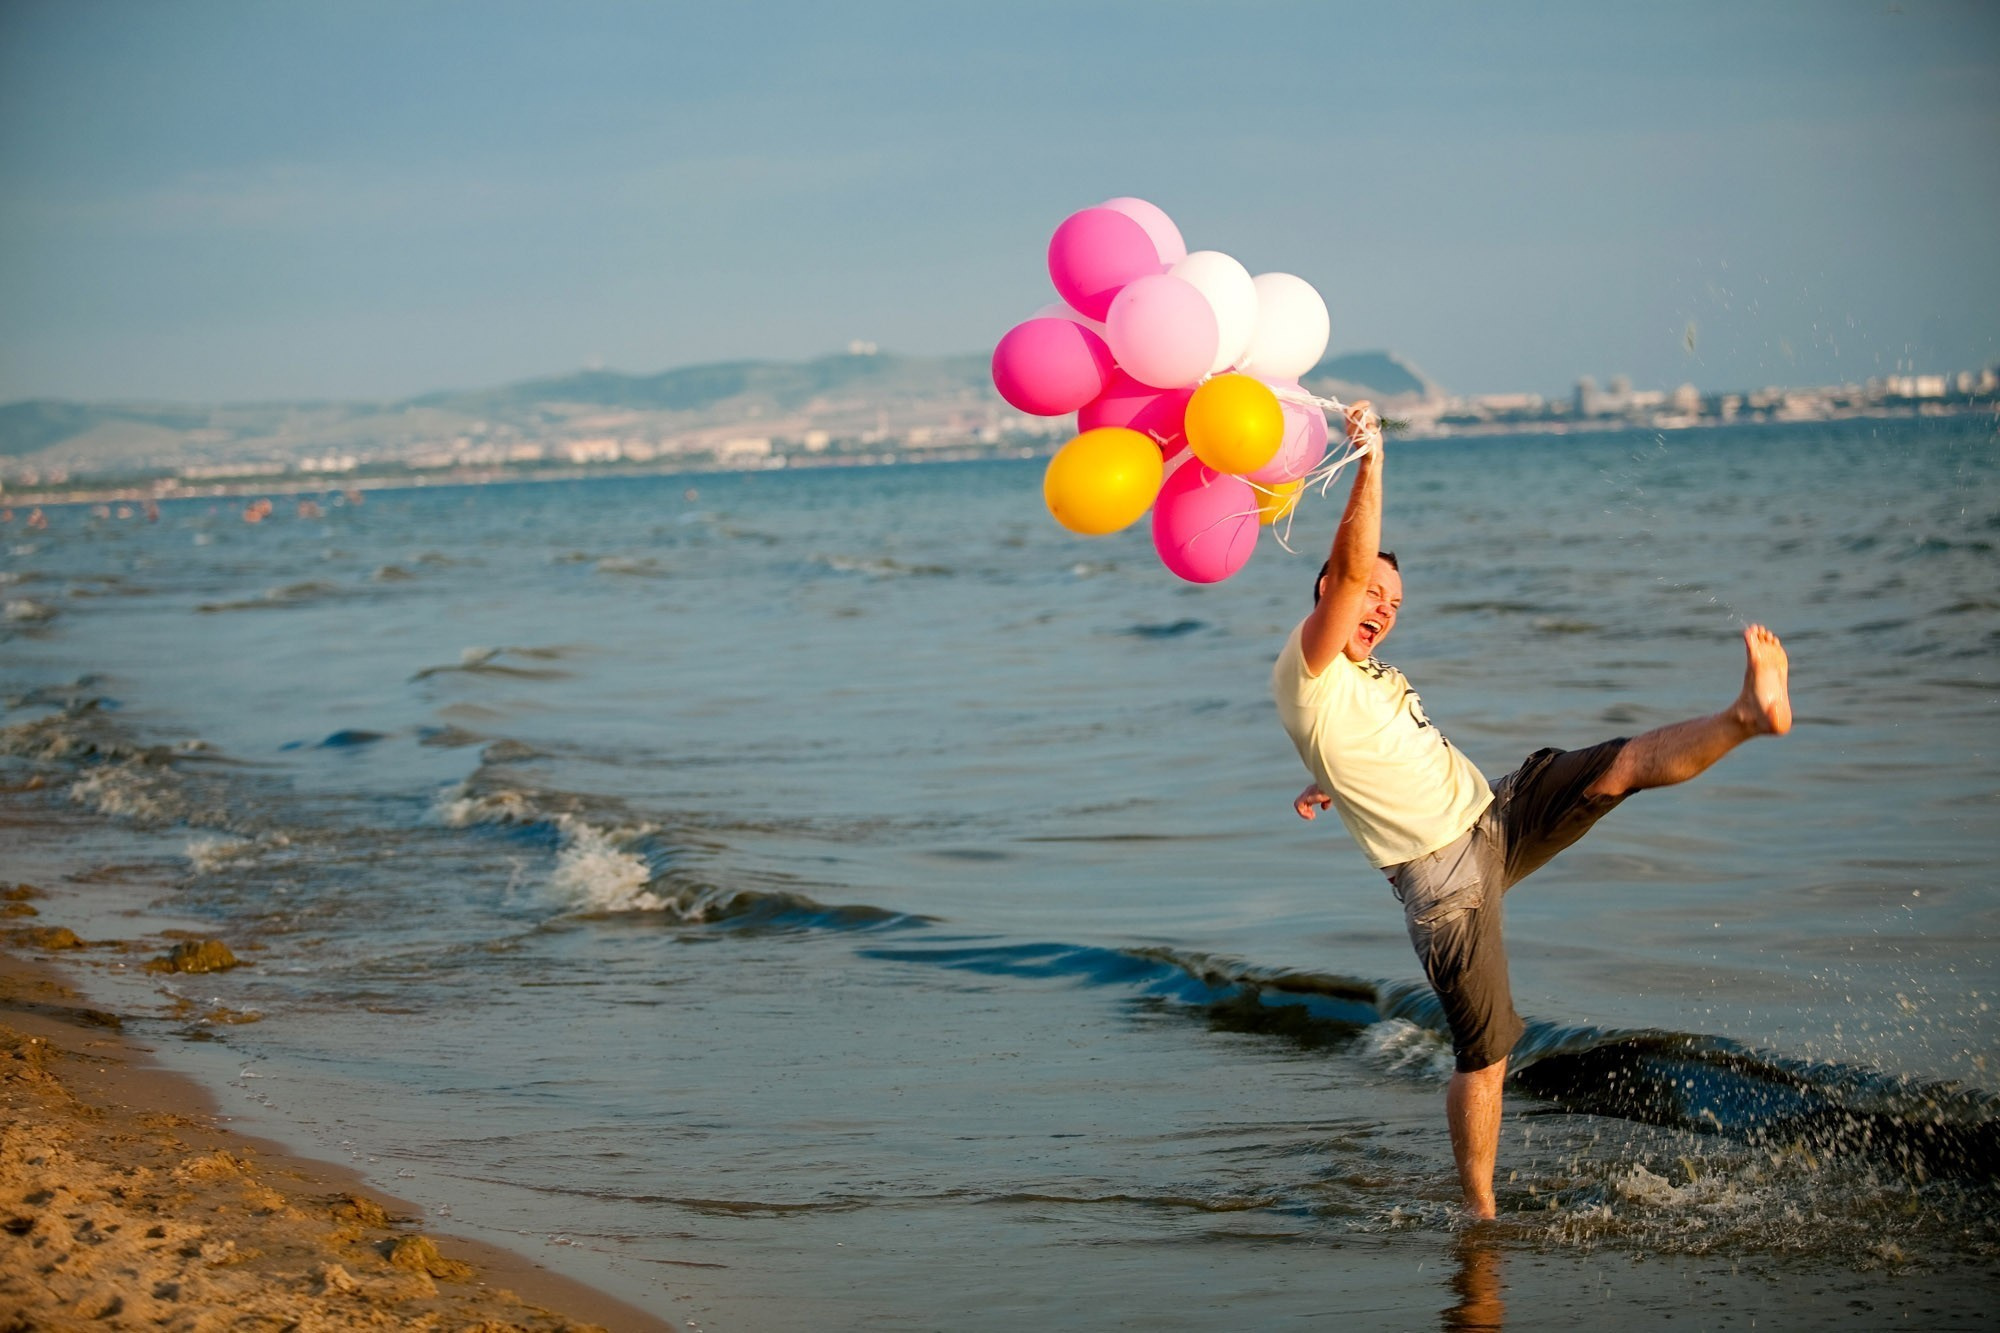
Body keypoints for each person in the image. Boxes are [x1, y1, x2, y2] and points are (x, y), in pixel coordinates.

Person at [1271, 400, 1792, 1219]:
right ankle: (1479, 1218)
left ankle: (1744, 717)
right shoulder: (1308, 667)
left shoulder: (1361, 683)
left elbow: (1370, 755)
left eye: (1395, 602)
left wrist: (1328, 782)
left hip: (1496, 815)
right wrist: (1371, 464)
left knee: (1616, 767)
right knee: (1484, 1057)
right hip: (1447, 890)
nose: (1381, 607)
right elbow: (1347, 572)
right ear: (1330, 590)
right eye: (1370, 591)